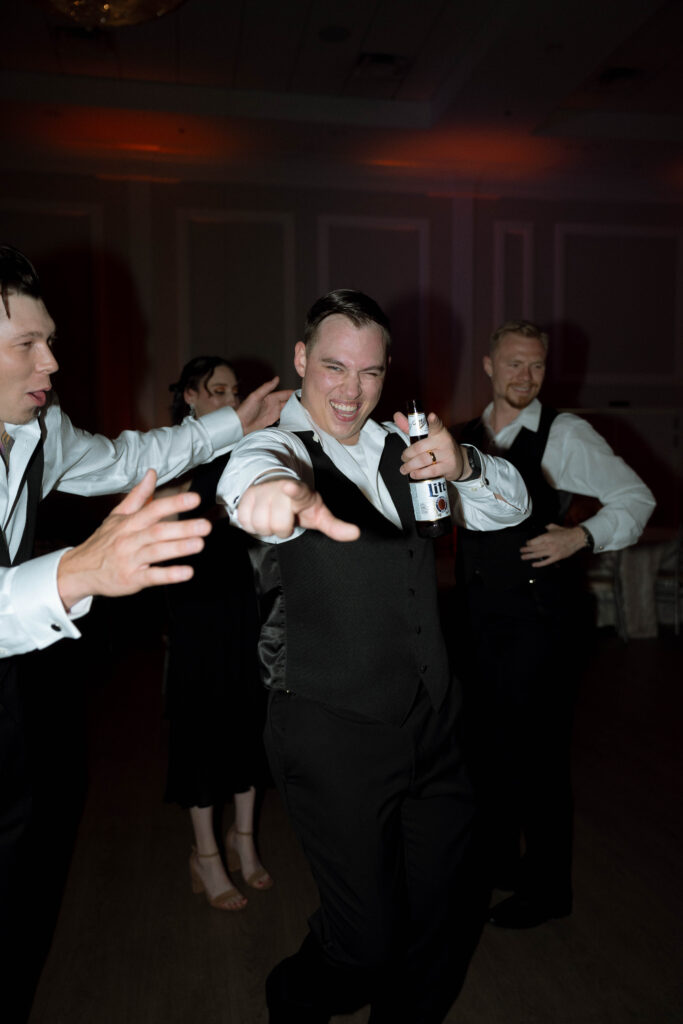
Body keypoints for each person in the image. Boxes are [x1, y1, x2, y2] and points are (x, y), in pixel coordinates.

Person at [216, 289, 530, 1023]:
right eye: (331, 368)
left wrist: (465, 468)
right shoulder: (281, 446)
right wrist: (263, 494)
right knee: (363, 946)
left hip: (432, 723)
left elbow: (511, 508)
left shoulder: (405, 448)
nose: (349, 390)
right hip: (331, 731)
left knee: (444, 917)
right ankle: (291, 999)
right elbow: (252, 470)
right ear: (300, 360)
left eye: (369, 372)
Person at [0, 244, 290, 1020]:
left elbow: (136, 455)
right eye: (26, 344)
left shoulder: (39, 432)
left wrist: (235, 421)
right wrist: (76, 573)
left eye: (49, 338)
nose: (52, 361)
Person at [456, 318, 656, 929]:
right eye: (514, 364)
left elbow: (637, 499)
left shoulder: (564, 433)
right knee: (486, 751)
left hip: (543, 623)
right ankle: (498, 863)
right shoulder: (464, 436)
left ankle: (549, 891)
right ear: (488, 366)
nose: (526, 376)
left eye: (537, 365)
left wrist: (581, 536)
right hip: (480, 621)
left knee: (539, 759)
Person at [163, 357, 273, 913]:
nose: (232, 397)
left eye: (235, 389)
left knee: (247, 719)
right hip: (192, 605)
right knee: (201, 727)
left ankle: (244, 841)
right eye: (219, 389)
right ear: (189, 395)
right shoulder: (172, 449)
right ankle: (205, 855)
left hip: (239, 602)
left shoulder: (244, 447)